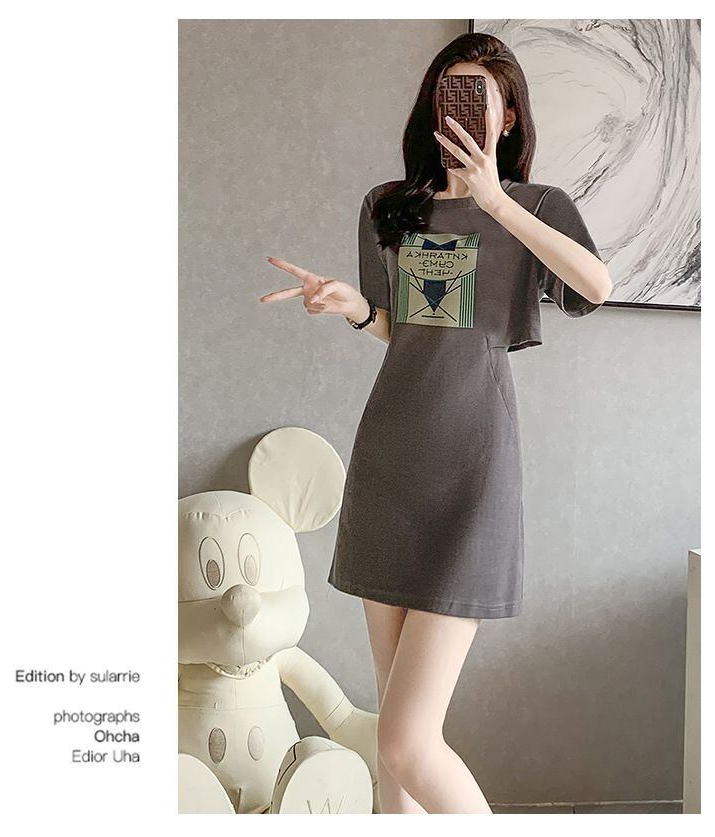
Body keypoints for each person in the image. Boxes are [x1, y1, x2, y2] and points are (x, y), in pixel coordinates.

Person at [259, 32, 612, 814]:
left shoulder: (537, 208)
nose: (460, 105)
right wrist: (356, 309)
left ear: (509, 115)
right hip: (390, 461)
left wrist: (494, 201)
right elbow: (406, 329)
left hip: (472, 469)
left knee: (405, 740)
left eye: (479, 93)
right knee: (395, 734)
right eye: (448, 89)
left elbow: (595, 286)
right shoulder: (390, 206)